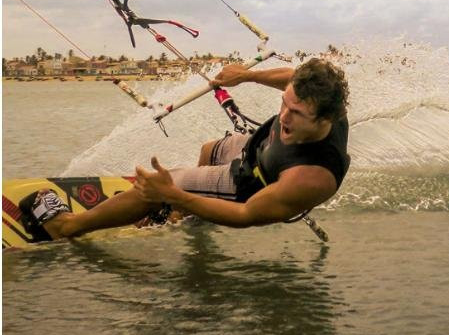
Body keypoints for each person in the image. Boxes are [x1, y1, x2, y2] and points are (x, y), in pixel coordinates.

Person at [22, 58, 350, 241]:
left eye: (297, 114)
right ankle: (186, 213)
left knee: (158, 186)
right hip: (257, 149)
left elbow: (246, 215)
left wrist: (174, 194)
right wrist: (246, 76)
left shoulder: (312, 178)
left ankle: (66, 226)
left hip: (250, 186)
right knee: (210, 149)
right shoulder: (312, 93)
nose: (284, 116)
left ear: (327, 119)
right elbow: (291, 77)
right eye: (284, 104)